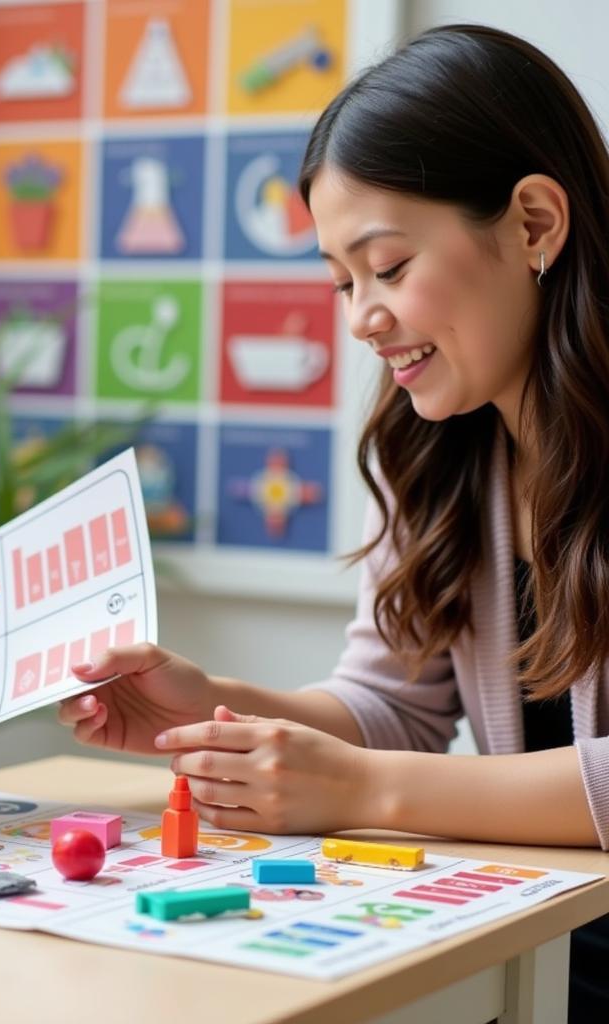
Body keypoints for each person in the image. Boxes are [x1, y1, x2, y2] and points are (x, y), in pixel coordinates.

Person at [59, 24, 609, 1018]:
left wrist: (368, 791)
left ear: (533, 224)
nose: (360, 315)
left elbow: (381, 766)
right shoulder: (434, 446)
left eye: (388, 265)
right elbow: (393, 702)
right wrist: (214, 707)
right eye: (342, 280)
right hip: (546, 945)